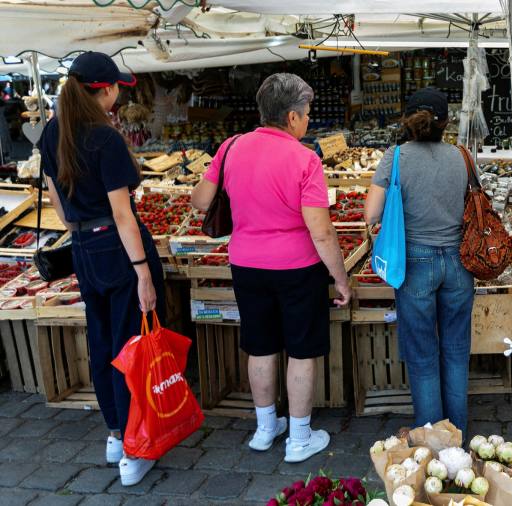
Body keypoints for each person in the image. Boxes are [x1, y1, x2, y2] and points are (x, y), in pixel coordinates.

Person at [192, 73, 351, 463]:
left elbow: (199, 201)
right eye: (308, 113)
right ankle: (299, 437)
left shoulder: (230, 147)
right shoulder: (305, 158)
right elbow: (322, 231)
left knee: (259, 345)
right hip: (297, 267)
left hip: (246, 263)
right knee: (300, 350)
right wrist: (341, 279)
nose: (309, 120)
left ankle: (265, 429)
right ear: (293, 117)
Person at [37, 51, 165, 487]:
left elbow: (59, 206)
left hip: (84, 247)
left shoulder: (52, 133)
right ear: (105, 90)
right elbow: (124, 214)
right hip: (117, 246)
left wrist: (82, 232)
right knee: (132, 345)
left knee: (103, 342)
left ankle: (115, 433)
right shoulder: (105, 138)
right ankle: (134, 447)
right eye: (114, 91)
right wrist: (143, 272)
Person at [364, 88, 474, 433]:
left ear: (407, 121)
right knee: (456, 352)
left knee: (422, 355)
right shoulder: (462, 156)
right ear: (445, 122)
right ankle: (457, 433)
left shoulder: (395, 157)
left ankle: (431, 439)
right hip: (459, 262)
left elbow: (371, 213)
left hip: (414, 263)